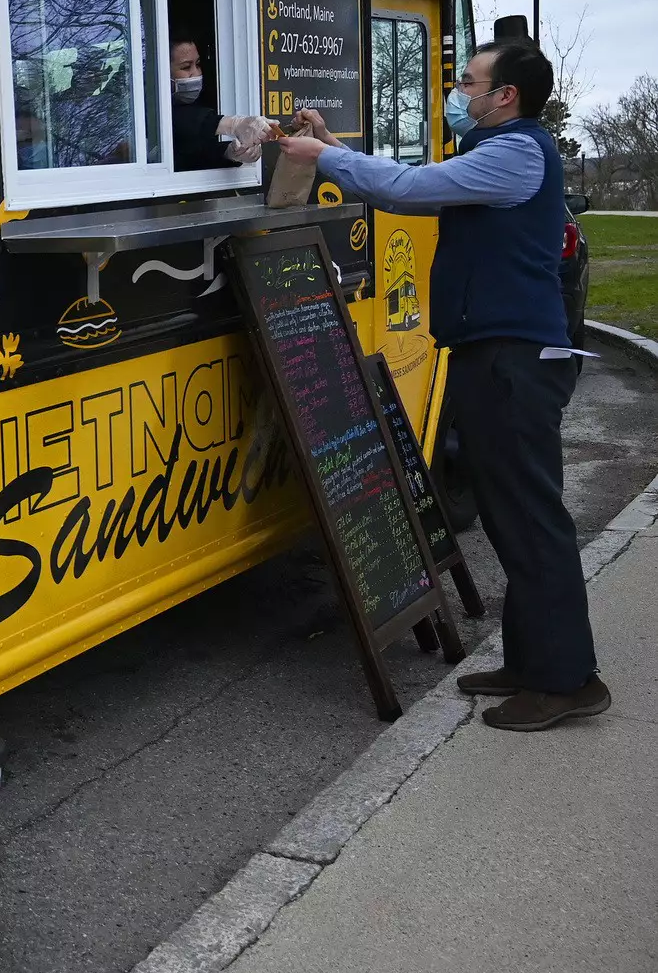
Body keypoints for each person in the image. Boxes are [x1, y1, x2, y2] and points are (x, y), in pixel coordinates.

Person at [278, 42, 608, 731]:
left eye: (470, 81)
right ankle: (531, 662)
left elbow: (406, 190)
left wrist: (322, 159)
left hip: (514, 363)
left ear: (506, 95)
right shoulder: (499, 150)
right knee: (507, 515)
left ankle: (566, 680)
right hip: (493, 357)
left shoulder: (516, 151)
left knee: (530, 520)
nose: (460, 91)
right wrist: (334, 145)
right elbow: (417, 184)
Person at [170, 37, 271, 169]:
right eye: (186, 67)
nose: (196, 73)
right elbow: (178, 123)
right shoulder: (145, 113)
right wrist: (233, 124)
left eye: (198, 64)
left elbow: (193, 154)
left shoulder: (194, 104)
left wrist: (231, 153)